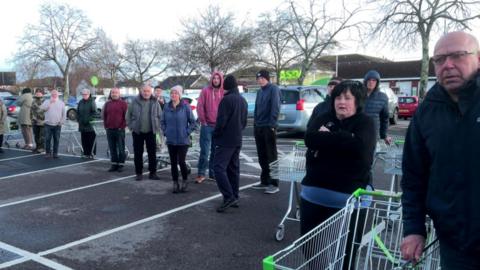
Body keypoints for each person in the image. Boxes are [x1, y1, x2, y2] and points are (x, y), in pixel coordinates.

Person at [401, 31, 480, 269]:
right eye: (439, 59)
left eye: (457, 55)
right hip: (455, 248)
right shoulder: (426, 113)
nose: (448, 65)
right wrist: (414, 229)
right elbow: (414, 176)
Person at [301, 80, 376, 269]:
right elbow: (310, 138)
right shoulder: (323, 116)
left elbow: (360, 150)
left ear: (357, 101)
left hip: (350, 197)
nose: (341, 102)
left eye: (347, 98)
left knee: (346, 250)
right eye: (338, 97)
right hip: (313, 192)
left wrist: (330, 136)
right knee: (309, 246)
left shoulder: (365, 122)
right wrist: (345, 139)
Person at [212, 75, 247, 213]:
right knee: (233, 168)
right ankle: (235, 196)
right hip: (237, 138)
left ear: (225, 86)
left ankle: (228, 196)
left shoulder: (226, 100)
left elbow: (221, 122)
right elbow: (244, 122)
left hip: (226, 140)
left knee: (218, 168)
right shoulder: (242, 100)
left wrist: (216, 134)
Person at [161, 85, 196, 193]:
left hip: (183, 140)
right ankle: (175, 182)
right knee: (173, 163)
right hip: (171, 139)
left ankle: (185, 180)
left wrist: (186, 132)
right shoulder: (166, 107)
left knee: (181, 161)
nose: (173, 95)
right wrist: (165, 131)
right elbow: (162, 122)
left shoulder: (185, 107)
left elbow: (193, 122)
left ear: (179, 95)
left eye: (176, 93)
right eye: (172, 93)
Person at [251, 70, 281, 194]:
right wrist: (255, 123)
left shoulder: (274, 89)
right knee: (262, 155)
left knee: (271, 155)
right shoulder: (259, 91)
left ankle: (274, 183)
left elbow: (275, 107)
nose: (260, 80)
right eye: (258, 78)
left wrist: (272, 124)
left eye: (262, 78)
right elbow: (257, 108)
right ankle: (264, 180)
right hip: (259, 126)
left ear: (267, 78)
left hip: (268, 127)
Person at [126, 84, 163, 181]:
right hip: (138, 131)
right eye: (144, 91)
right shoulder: (134, 101)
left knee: (152, 153)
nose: (146, 93)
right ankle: (139, 173)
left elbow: (160, 116)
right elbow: (128, 115)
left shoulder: (155, 102)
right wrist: (131, 127)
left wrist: (158, 127)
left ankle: (153, 173)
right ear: (141, 91)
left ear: (151, 92)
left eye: (148, 91)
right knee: (138, 153)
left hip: (151, 131)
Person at [196, 71, 224, 184]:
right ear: (211, 79)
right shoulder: (205, 91)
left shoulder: (223, 92)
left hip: (218, 126)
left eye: (218, 78)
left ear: (221, 80)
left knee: (215, 152)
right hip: (207, 126)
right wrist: (203, 121)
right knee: (205, 151)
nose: (216, 80)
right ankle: (201, 174)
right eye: (214, 78)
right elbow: (200, 106)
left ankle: (212, 174)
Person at [363, 70, 392, 144]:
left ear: (377, 83)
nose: (371, 82)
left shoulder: (383, 97)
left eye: (374, 80)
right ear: (365, 81)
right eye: (369, 80)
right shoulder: (357, 95)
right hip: (358, 132)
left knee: (371, 155)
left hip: (373, 134)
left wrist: (384, 135)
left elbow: (384, 118)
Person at [103, 88, 128, 172]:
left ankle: (121, 164)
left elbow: (126, 117)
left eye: (116, 93)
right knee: (112, 148)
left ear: (119, 94)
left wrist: (122, 126)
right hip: (109, 129)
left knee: (121, 148)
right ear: (111, 94)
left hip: (119, 130)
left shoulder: (123, 104)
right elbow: (105, 115)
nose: (114, 94)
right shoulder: (107, 104)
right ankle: (114, 164)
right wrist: (105, 125)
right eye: (113, 92)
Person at [40, 90, 65, 158]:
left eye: (55, 94)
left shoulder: (61, 103)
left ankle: (55, 153)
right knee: (47, 139)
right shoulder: (47, 101)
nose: (54, 95)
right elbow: (41, 109)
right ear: (51, 95)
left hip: (57, 125)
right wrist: (49, 104)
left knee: (56, 139)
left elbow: (64, 114)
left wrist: (62, 122)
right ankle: (48, 153)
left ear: (58, 95)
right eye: (53, 94)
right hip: (48, 124)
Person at [77, 89, 97, 158]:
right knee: (84, 140)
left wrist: (88, 120)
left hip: (90, 125)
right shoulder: (80, 102)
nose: (84, 95)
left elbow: (94, 113)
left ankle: (92, 153)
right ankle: (86, 153)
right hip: (82, 125)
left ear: (89, 94)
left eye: (85, 94)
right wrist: (79, 119)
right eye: (83, 94)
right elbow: (78, 112)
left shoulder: (92, 102)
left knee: (91, 140)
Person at [31, 88, 45, 154]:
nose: (38, 93)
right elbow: (31, 111)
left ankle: (41, 148)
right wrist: (32, 119)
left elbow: (45, 111)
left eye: (39, 92)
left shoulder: (45, 101)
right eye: (37, 92)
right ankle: (37, 147)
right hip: (35, 121)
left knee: (41, 136)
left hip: (42, 122)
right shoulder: (33, 101)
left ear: (42, 94)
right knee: (36, 135)